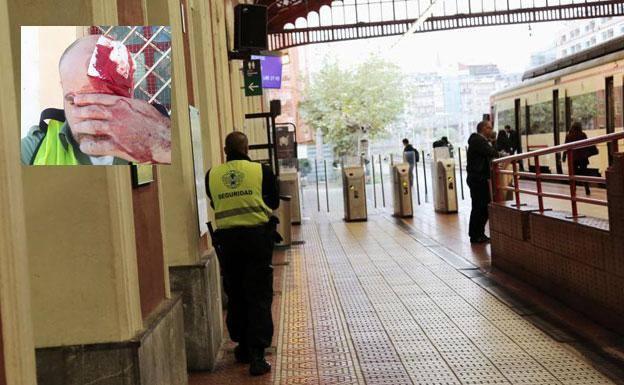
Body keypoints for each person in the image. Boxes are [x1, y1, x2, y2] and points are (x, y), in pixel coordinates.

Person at [21, 34, 171, 165]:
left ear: (129, 96)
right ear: (63, 88)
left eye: (104, 103)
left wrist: (164, 145)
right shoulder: (34, 150)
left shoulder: (159, 138)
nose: (90, 120)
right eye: (75, 103)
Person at [205, 131, 279, 376]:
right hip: (257, 240)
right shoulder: (261, 172)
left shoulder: (212, 176)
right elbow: (274, 202)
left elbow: (216, 204)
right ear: (246, 148)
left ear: (226, 150)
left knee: (235, 293)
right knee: (258, 295)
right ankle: (257, 355)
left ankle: (242, 345)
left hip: (228, 243)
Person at [466, 120, 499, 244]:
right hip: (478, 179)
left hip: (478, 178)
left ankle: (478, 233)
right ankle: (475, 235)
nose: (491, 130)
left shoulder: (479, 141)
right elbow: (492, 153)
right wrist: (494, 142)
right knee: (480, 207)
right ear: (483, 129)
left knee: (481, 207)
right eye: (489, 128)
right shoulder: (478, 141)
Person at [563, 121, 594, 195]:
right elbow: (587, 144)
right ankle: (587, 189)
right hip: (583, 157)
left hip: (573, 158)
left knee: (574, 175)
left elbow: (566, 146)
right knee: (584, 173)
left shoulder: (569, 135)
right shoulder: (583, 134)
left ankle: (573, 189)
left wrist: (564, 156)